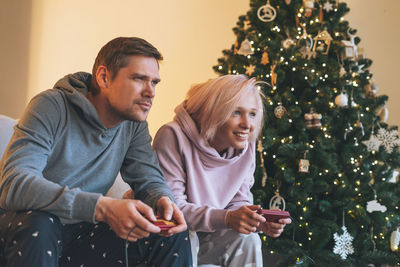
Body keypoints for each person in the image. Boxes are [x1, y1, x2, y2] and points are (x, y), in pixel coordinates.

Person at [0, 37, 192, 267]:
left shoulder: (133, 124)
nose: (150, 92)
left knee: (170, 235)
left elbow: (148, 178)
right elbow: (14, 184)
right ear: (103, 77)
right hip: (26, 229)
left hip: (81, 235)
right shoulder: (51, 106)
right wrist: (102, 207)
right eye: (139, 79)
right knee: (41, 223)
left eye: (154, 82)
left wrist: (163, 200)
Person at [152, 75, 292, 266]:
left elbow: (239, 201)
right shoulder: (172, 136)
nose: (247, 125)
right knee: (188, 237)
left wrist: (255, 222)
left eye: (252, 114)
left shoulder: (246, 145)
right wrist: (227, 218)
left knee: (249, 238)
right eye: (236, 112)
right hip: (174, 238)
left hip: (210, 237)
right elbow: (172, 211)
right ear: (213, 111)